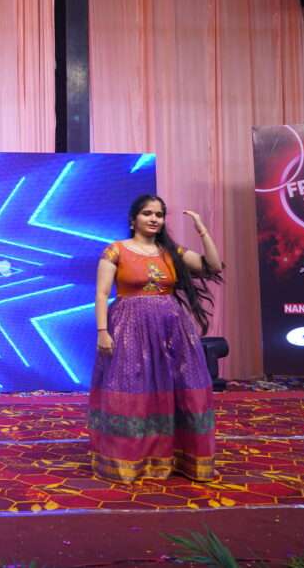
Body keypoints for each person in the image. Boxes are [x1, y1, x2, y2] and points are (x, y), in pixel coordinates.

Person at [90, 194, 224, 483]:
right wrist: (102, 331)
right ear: (133, 219)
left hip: (172, 329)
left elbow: (213, 267)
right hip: (129, 328)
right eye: (147, 213)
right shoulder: (115, 250)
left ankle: (177, 457)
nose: (154, 219)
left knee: (181, 390)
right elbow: (101, 293)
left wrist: (202, 230)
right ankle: (130, 460)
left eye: (159, 215)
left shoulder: (171, 251)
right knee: (132, 391)